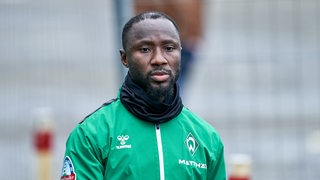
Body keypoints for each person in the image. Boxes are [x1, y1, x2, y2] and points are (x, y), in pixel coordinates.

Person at [60, 11, 226, 180]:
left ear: (181, 53)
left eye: (169, 48)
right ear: (124, 58)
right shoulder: (91, 135)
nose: (159, 59)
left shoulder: (207, 139)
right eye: (145, 49)